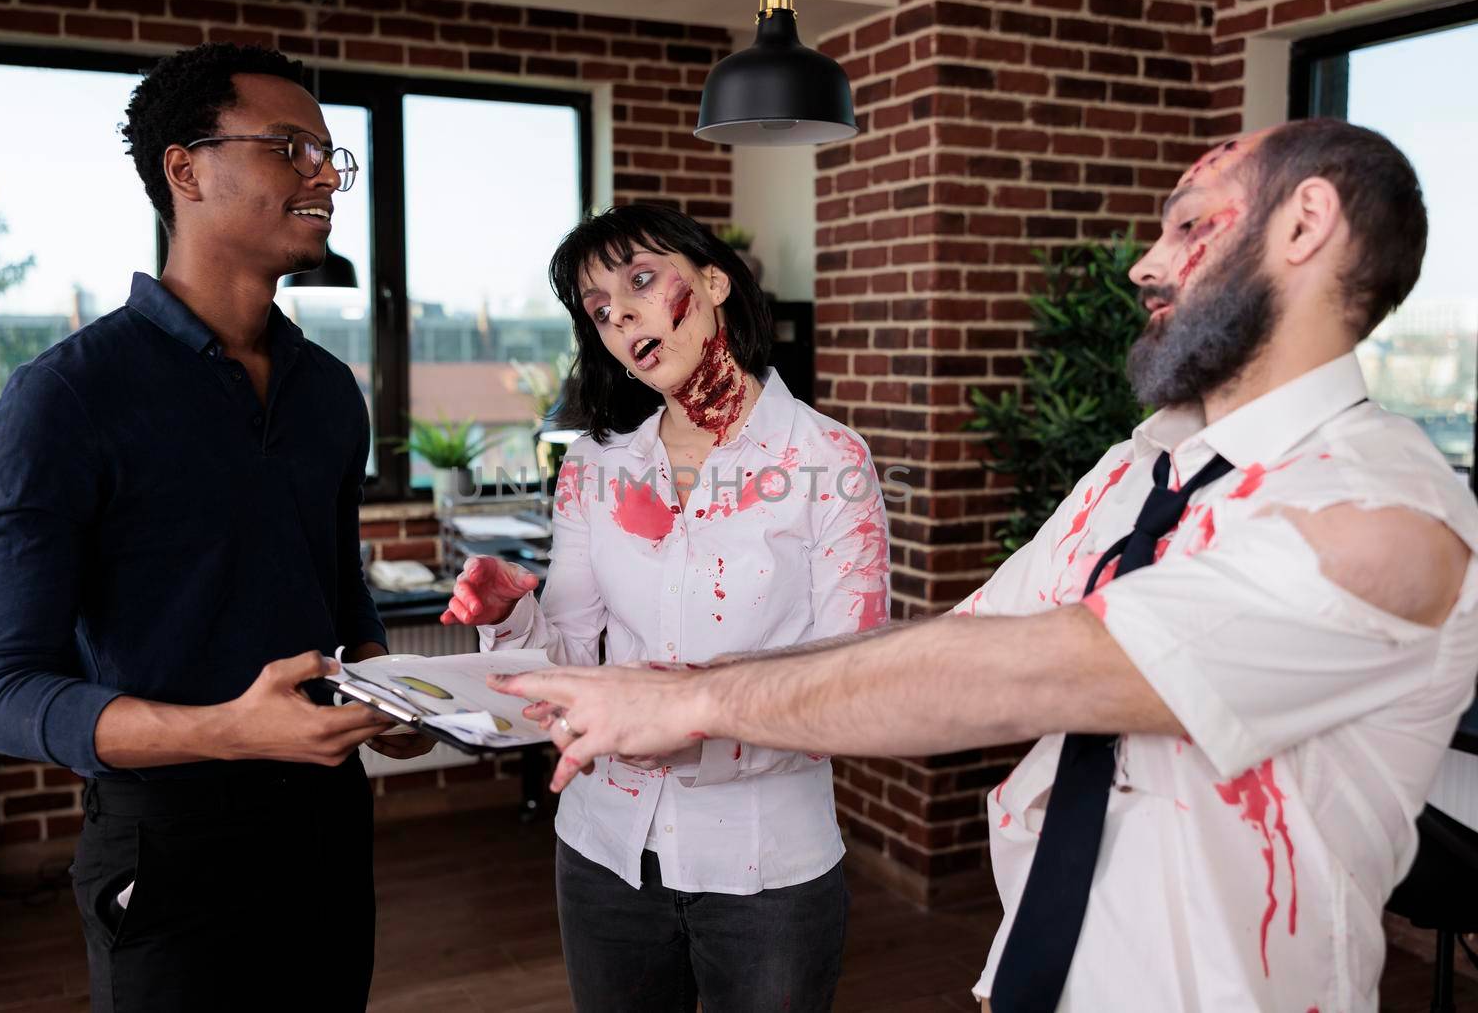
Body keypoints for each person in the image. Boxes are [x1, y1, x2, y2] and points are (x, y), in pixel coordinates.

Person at [490, 119, 1478, 1012]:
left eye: (1185, 227)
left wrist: (685, 703)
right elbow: (944, 641)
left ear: (1305, 222)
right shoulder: (1138, 468)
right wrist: (657, 688)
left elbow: (1040, 667)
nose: (1144, 264)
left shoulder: (1388, 513)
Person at [0, 43, 424, 1013]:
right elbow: (1, 690)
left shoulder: (331, 393)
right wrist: (224, 729)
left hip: (329, 826)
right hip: (170, 844)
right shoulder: (62, 400)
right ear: (185, 169)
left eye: (331, 156)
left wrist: (395, 687)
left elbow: (336, 591)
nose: (324, 176)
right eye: (291, 146)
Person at [439, 205, 891, 1011]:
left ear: (714, 283)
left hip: (768, 869)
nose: (621, 316)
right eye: (599, 307)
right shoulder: (596, 463)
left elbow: (848, 688)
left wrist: (688, 723)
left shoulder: (829, 460)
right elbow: (572, 661)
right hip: (604, 849)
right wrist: (512, 617)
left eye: (641, 280)